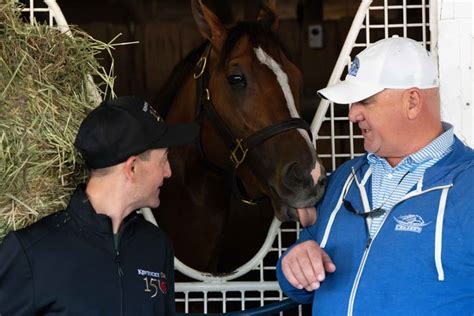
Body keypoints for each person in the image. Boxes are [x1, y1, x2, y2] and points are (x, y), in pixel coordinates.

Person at [277, 36, 474, 314]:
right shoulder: (344, 179)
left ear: (413, 101)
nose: (352, 114)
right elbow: (296, 282)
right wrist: (292, 266)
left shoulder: (469, 186)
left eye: (363, 100)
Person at [0, 96, 199, 315]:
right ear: (132, 167)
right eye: (163, 160)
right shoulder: (30, 253)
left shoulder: (156, 247)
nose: (168, 172)